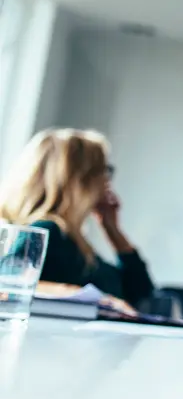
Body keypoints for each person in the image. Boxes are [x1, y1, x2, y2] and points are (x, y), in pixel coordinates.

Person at [0, 128, 156, 308]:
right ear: (79, 178)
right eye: (104, 170)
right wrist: (94, 299)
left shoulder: (72, 240)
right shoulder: (47, 230)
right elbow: (9, 285)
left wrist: (112, 229)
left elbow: (140, 292)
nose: (107, 181)